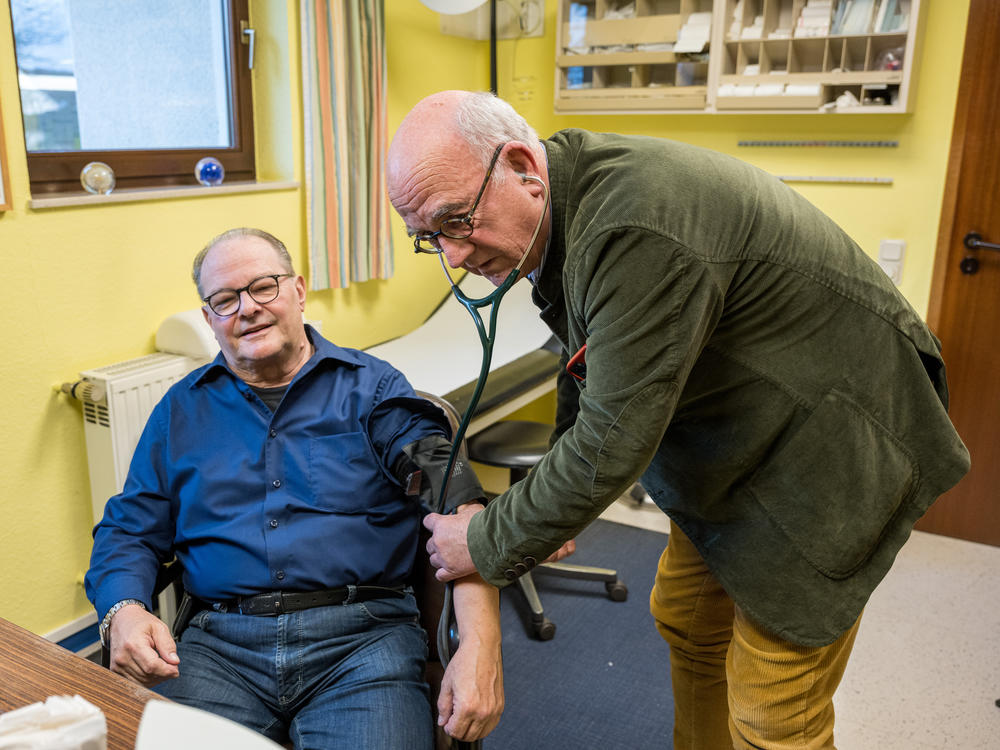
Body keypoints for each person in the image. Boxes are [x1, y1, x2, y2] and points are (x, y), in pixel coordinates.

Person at [386, 91, 970, 749]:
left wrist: (489, 539)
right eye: (426, 239)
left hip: (832, 444)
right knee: (688, 623)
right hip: (738, 439)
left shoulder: (634, 223)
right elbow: (584, 362)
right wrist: (540, 509)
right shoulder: (568, 200)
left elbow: (612, 439)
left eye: (456, 221)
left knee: (773, 711)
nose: (452, 258)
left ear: (522, 166)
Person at [85, 227, 504, 749]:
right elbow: (129, 529)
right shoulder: (181, 410)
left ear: (298, 290)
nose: (247, 308)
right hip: (219, 647)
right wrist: (122, 610)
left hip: (363, 640)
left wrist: (481, 644)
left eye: (264, 287)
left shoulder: (372, 388)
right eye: (224, 299)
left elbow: (443, 485)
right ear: (209, 318)